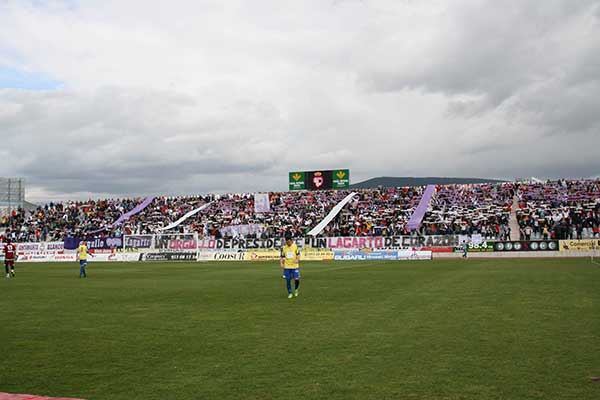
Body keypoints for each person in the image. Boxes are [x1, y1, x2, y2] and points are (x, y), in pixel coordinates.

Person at [280, 232, 300, 299]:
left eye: (289, 242)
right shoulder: (284, 248)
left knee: (296, 279)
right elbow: (282, 256)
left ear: (291, 241)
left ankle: (296, 290)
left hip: (294, 266)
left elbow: (298, 255)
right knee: (288, 280)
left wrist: (297, 259)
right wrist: (281, 263)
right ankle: (290, 293)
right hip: (287, 266)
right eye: (287, 242)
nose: (288, 243)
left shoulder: (295, 246)